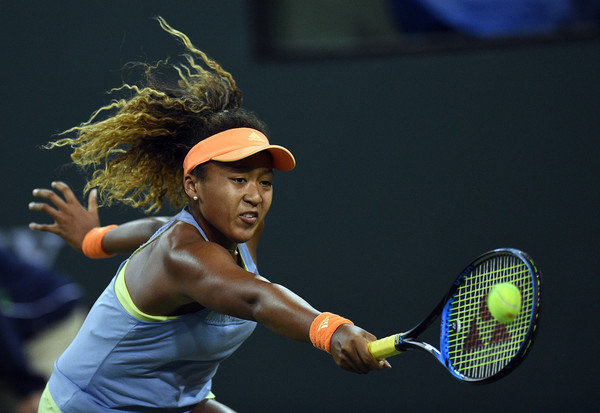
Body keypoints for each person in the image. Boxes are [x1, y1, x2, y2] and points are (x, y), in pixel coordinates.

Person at [28, 17, 388, 413]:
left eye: (264, 182)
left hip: (179, 401)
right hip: (87, 406)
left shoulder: (232, 229)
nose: (255, 196)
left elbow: (150, 228)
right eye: (238, 180)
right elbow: (255, 298)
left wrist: (93, 241)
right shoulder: (183, 256)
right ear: (193, 186)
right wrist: (330, 330)